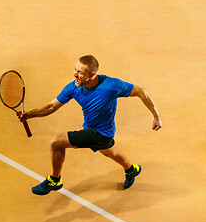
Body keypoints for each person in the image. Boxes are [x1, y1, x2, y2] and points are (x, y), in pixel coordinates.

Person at [18, 55, 162, 195]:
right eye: (75, 69)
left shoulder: (111, 86)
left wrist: (156, 116)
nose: (75, 74)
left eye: (80, 72)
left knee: (56, 142)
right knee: (109, 152)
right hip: (99, 131)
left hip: (100, 133)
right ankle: (132, 170)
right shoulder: (73, 88)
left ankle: (55, 180)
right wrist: (29, 115)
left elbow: (140, 91)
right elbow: (51, 107)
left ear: (92, 74)